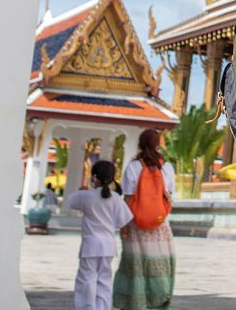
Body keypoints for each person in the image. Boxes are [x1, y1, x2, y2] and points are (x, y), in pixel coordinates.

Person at [114, 129, 176, 310]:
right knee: (160, 265)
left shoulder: (133, 166)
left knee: (135, 266)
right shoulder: (167, 167)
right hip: (160, 224)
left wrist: (123, 226)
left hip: (135, 223)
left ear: (140, 144)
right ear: (158, 145)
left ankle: (135, 304)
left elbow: (127, 198)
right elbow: (169, 195)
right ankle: (158, 301)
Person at [65, 160, 132, 310]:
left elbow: (70, 201)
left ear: (95, 177)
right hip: (108, 246)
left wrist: (82, 189)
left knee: (86, 280)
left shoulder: (86, 196)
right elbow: (123, 221)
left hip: (91, 246)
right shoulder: (115, 198)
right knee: (105, 281)